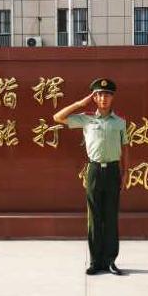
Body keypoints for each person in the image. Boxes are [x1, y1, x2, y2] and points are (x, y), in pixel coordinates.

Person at [54, 78, 128, 275]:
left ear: (112, 98)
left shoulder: (120, 122)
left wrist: (125, 172)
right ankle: (96, 261)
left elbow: (125, 148)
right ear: (94, 98)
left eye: (107, 95)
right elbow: (58, 117)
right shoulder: (85, 119)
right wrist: (80, 103)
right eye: (100, 95)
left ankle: (110, 261)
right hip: (94, 170)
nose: (104, 98)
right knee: (94, 217)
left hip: (113, 171)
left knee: (110, 216)